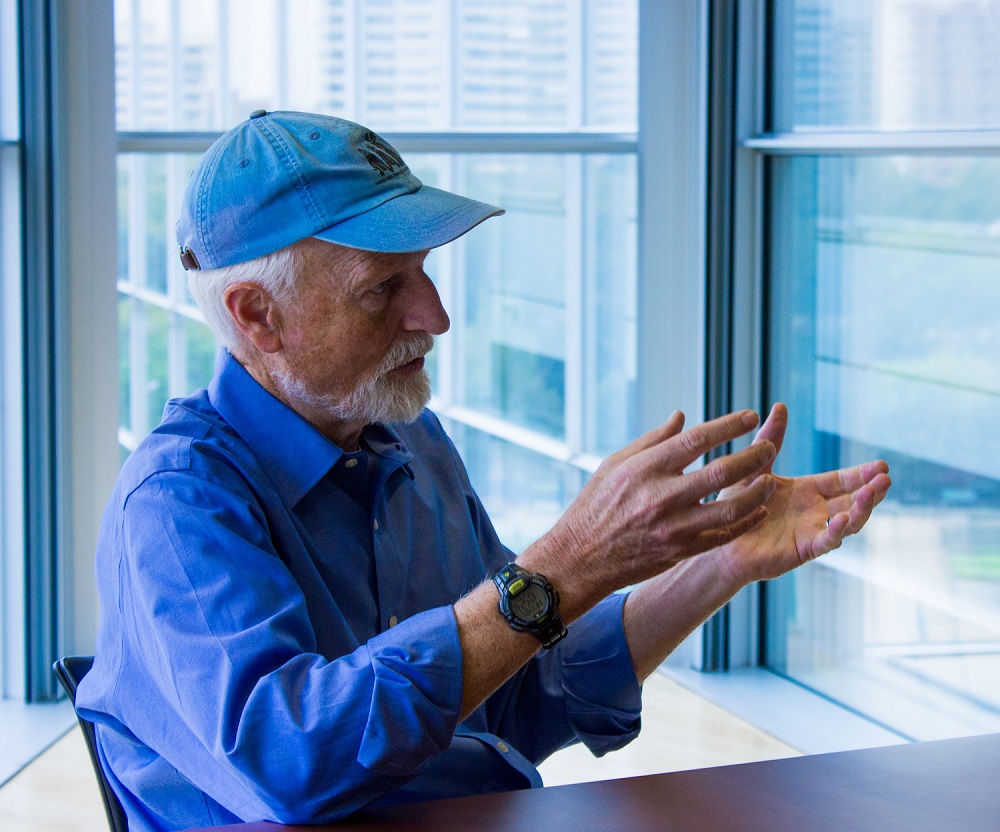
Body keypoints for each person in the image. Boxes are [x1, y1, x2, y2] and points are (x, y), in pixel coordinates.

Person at [77, 110, 891, 832]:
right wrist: (568, 562)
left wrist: (715, 566)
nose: (434, 316)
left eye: (425, 271)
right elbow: (297, 768)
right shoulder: (178, 504)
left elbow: (522, 691)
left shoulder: (411, 442)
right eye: (383, 288)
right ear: (258, 316)